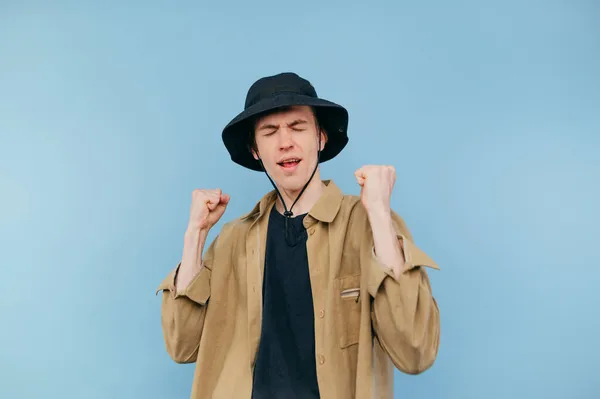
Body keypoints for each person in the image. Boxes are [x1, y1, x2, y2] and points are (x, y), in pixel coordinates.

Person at [156, 72, 441, 399]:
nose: (285, 142)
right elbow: (181, 347)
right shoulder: (233, 239)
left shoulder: (368, 223)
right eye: (269, 131)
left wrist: (378, 212)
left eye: (297, 127)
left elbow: (415, 351)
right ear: (255, 150)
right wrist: (195, 235)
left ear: (320, 138)